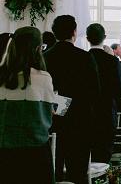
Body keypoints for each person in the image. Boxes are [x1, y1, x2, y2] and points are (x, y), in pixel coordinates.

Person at [44, 15, 101, 183]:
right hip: (80, 120)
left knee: (54, 168)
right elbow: (95, 91)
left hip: (53, 120)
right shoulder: (84, 57)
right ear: (74, 33)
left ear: (55, 33)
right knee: (78, 171)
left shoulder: (46, 57)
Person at [0, 27, 57, 184]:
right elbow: (47, 118)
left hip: (4, 150)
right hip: (35, 150)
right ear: (38, 49)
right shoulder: (43, 78)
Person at [86, 23, 121, 163]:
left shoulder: (82, 58)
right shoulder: (113, 61)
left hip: (86, 110)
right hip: (106, 110)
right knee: (104, 150)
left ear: (88, 39)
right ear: (105, 37)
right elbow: (118, 89)